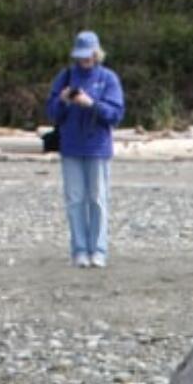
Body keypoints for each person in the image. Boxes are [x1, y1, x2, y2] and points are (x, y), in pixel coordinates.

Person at [45, 30, 125, 267]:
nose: (84, 61)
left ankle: (98, 250)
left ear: (96, 54)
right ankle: (79, 250)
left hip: (97, 148)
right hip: (71, 148)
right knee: (75, 200)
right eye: (80, 57)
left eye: (88, 56)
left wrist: (92, 104)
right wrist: (62, 100)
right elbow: (51, 112)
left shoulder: (108, 78)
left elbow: (115, 114)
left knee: (98, 199)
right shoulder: (66, 76)